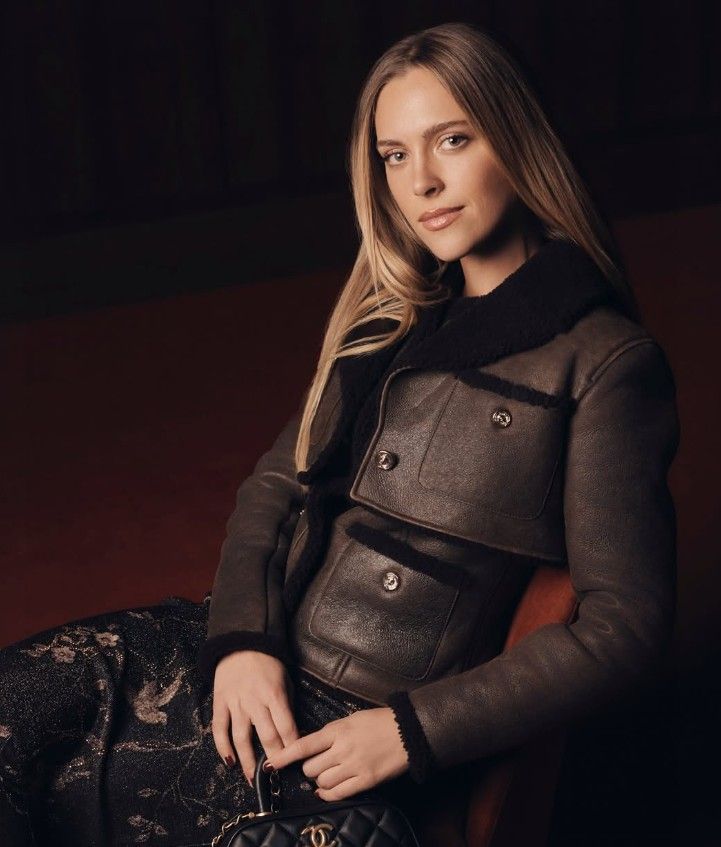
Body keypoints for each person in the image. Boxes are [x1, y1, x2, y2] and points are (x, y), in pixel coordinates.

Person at [0, 20, 680, 846]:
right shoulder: (388, 317)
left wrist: (408, 730)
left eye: (452, 140)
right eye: (394, 155)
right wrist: (241, 642)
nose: (421, 182)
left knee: (71, 802)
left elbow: (623, 625)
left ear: (515, 140)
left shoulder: (605, 361)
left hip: (347, 729)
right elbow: (272, 487)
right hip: (240, 654)